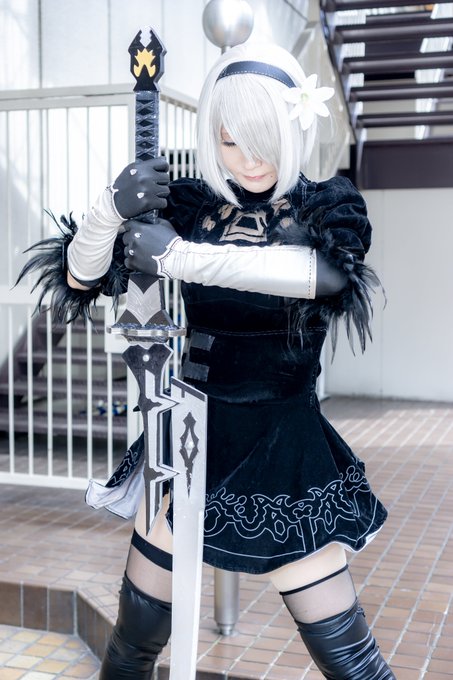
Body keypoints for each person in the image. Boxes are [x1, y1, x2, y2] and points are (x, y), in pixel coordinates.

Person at [22, 42, 394, 679]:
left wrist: (181, 258)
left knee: (352, 664)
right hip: (187, 441)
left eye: (263, 142)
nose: (248, 161)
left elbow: (325, 275)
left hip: (283, 450)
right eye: (229, 142)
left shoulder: (327, 206)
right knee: (132, 645)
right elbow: (82, 279)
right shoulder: (193, 206)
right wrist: (109, 210)